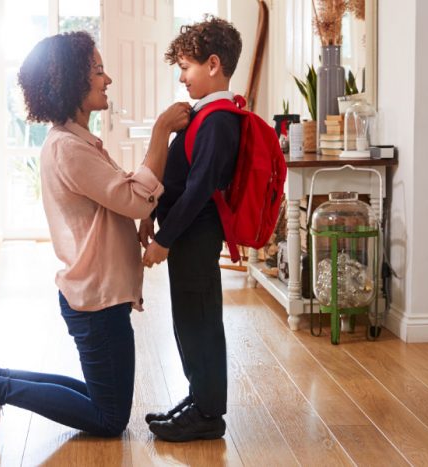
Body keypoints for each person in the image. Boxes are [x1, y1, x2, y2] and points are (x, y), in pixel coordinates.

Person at [0, 30, 191, 440]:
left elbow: (120, 199)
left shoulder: (76, 141)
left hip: (97, 295)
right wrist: (160, 133)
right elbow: (135, 198)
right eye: (98, 71)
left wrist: (140, 213)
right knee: (109, 417)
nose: (108, 79)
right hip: (97, 300)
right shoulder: (69, 148)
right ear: (71, 82)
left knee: (102, 397)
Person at [140, 16, 243, 442]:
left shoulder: (219, 118)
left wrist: (164, 239)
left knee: (199, 321)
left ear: (213, 64)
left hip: (195, 236)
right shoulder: (204, 114)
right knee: (187, 319)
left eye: (186, 67)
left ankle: (208, 413)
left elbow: (200, 187)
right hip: (187, 235)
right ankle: (199, 398)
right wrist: (152, 213)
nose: (182, 77)